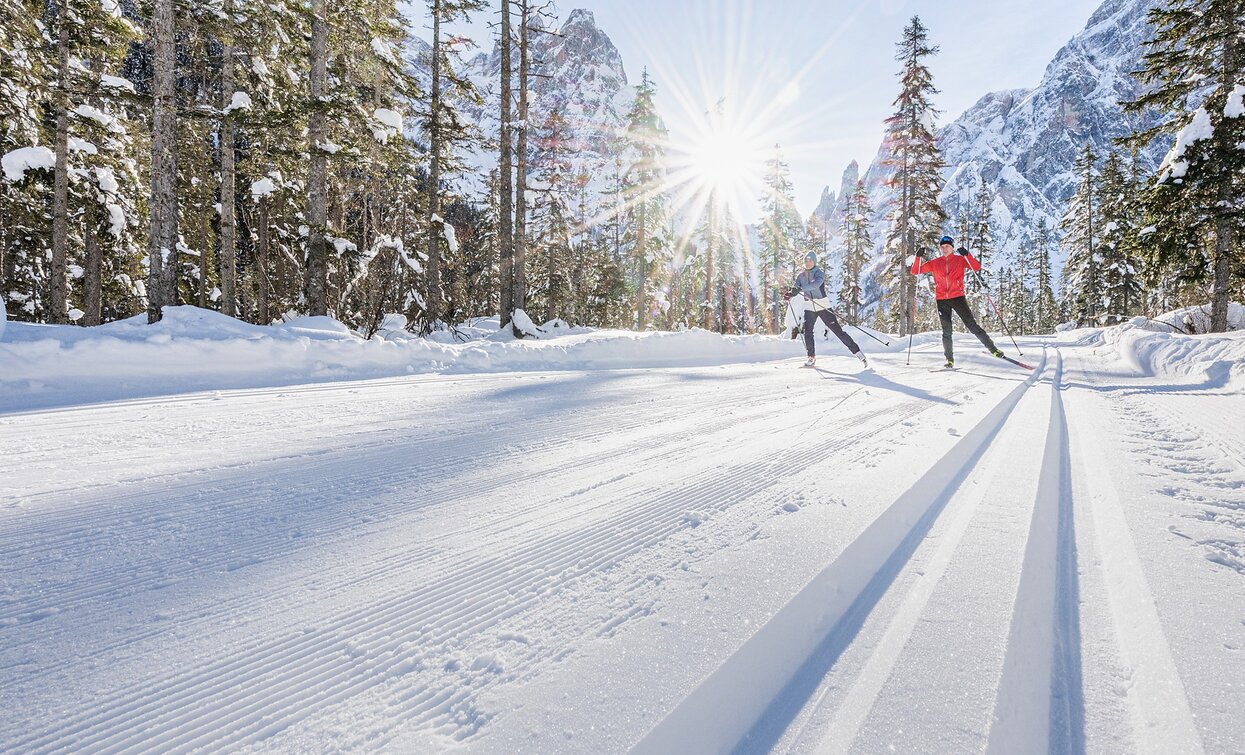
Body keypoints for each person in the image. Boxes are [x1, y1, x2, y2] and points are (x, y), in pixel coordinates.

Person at [911, 235, 1005, 368]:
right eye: (942, 247)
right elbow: (916, 271)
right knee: (947, 331)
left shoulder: (960, 260)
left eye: (947, 246)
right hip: (942, 300)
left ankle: (993, 350)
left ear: (952, 248)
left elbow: (976, 267)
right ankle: (949, 360)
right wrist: (918, 257)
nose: (944, 249)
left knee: (972, 326)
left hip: (958, 297)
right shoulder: (935, 262)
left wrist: (967, 255)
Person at [786, 251, 867, 368]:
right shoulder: (801, 276)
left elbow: (815, 285)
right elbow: (795, 287)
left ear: (814, 261)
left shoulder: (819, 273)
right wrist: (789, 294)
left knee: (838, 331)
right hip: (809, 307)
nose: (808, 263)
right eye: (806, 261)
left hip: (823, 306)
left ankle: (858, 353)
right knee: (808, 332)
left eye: (810, 261)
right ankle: (811, 357)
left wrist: (799, 289)